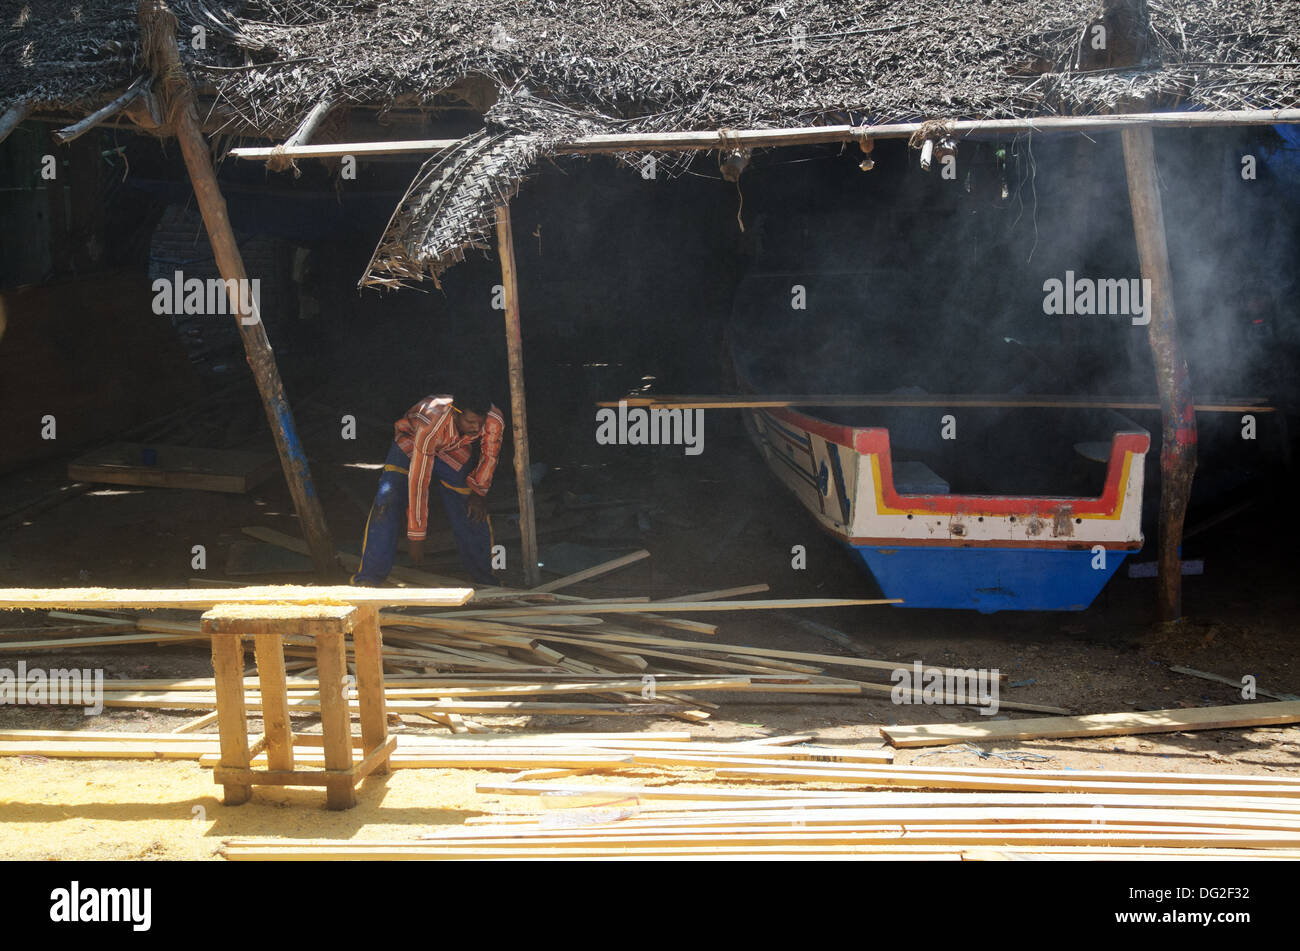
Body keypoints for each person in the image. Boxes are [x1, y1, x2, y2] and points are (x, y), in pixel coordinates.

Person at [351, 387, 504, 587]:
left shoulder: (494, 420)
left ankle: (486, 580)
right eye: (470, 422)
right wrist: (416, 535)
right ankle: (368, 579)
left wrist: (479, 491)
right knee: (387, 499)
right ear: (455, 413)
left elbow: (489, 456)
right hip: (412, 443)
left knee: (472, 507)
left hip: (453, 448)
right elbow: (419, 479)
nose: (476, 428)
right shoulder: (431, 420)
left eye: (480, 422)